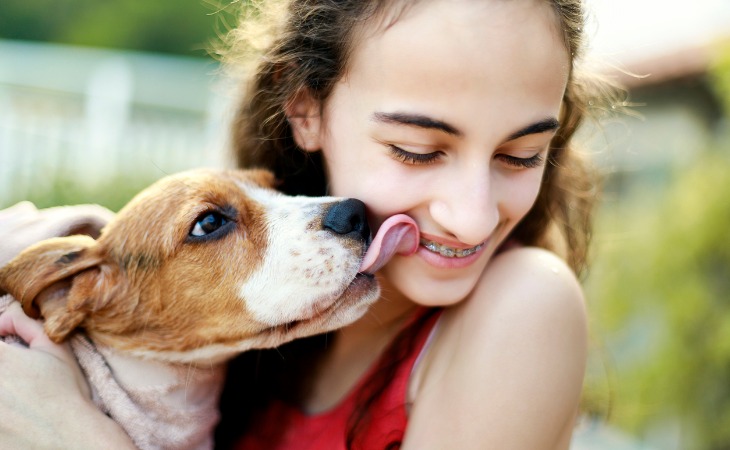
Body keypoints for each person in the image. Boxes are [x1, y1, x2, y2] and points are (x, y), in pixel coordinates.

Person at [0, 0, 617, 448]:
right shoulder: (252, 339)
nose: (473, 215)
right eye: (416, 149)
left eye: (521, 155)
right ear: (304, 109)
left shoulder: (527, 304)